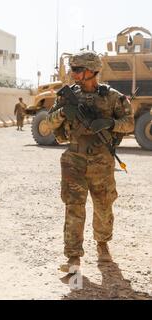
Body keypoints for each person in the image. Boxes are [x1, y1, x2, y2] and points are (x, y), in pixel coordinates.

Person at [46, 51, 134, 273]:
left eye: (78, 70)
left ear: (92, 71)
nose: (73, 74)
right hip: (74, 158)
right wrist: (64, 112)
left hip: (101, 160)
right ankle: (73, 256)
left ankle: (102, 245)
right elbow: (48, 123)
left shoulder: (113, 97)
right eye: (73, 69)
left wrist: (108, 123)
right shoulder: (66, 97)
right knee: (74, 206)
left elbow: (129, 123)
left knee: (103, 205)